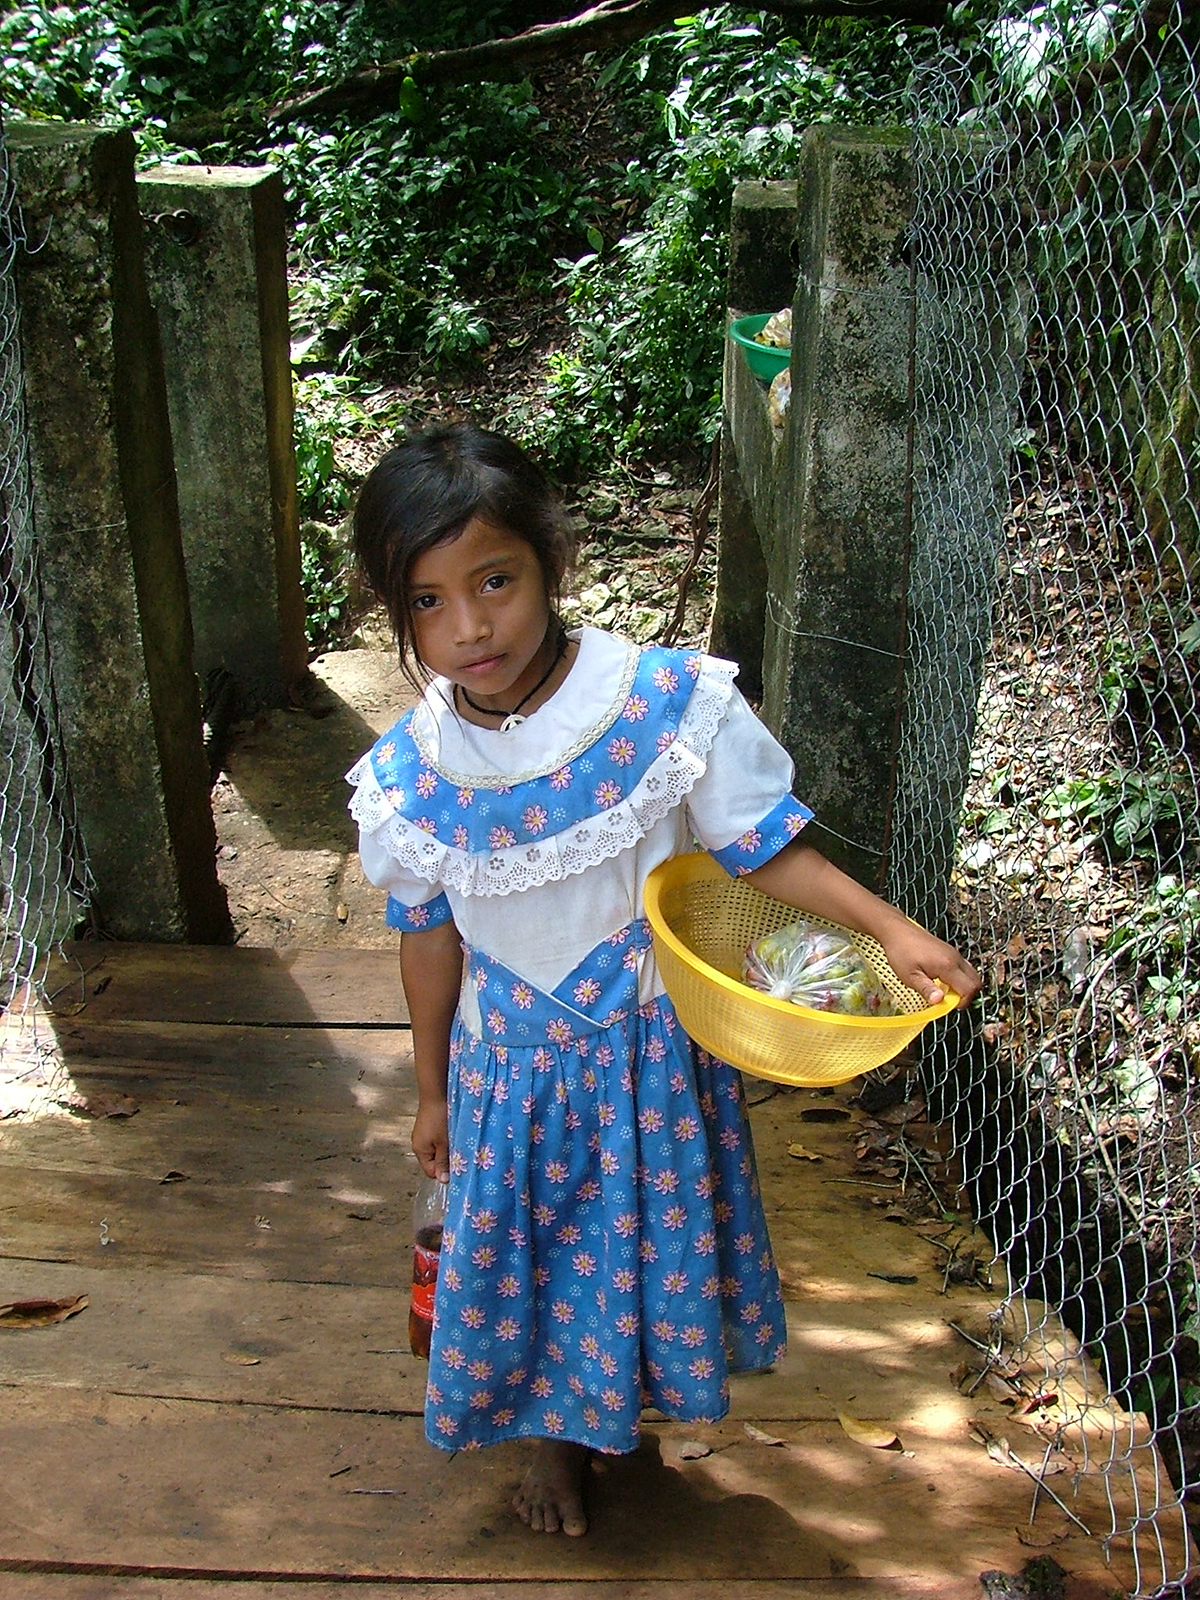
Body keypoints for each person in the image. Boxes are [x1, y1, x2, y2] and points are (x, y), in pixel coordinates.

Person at [346, 421, 980, 1538]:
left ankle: (613, 1417)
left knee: (636, 1238)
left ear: (551, 560)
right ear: (399, 616)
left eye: (496, 580)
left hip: (648, 1053)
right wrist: (433, 1086)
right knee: (532, 1251)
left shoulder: (662, 706)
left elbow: (761, 844)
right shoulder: (411, 775)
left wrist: (896, 931)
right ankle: (554, 1441)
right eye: (430, 602)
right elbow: (428, 933)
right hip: (512, 1071)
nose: (471, 625)